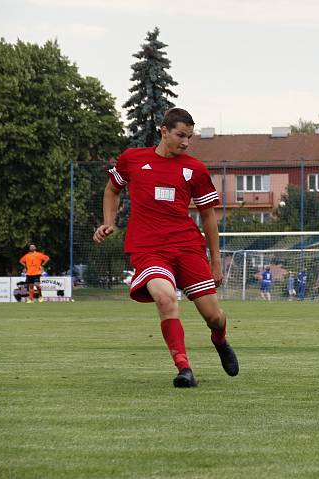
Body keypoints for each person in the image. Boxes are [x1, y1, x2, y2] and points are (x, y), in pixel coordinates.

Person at [93, 107, 238, 388]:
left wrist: (216, 262)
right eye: (181, 135)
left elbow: (208, 216)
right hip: (148, 249)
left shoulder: (195, 169)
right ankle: (184, 368)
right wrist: (108, 222)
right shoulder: (133, 159)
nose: (186, 142)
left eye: (190, 137)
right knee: (165, 298)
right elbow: (112, 189)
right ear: (164, 131)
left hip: (187, 247)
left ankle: (219, 339)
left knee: (213, 316)